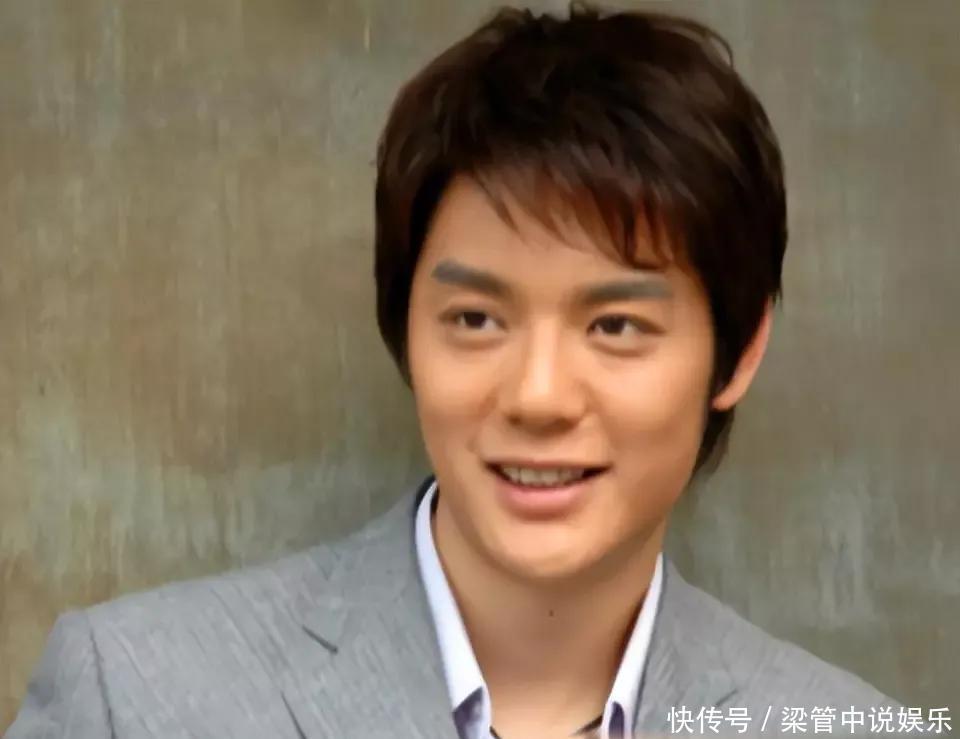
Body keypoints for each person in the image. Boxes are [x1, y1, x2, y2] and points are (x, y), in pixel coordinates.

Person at [8, 4, 901, 738]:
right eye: (476, 319)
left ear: (738, 351)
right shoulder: (132, 697)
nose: (539, 396)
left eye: (615, 325)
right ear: (404, 327)